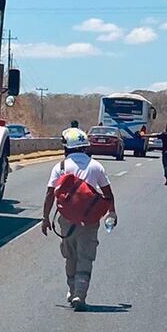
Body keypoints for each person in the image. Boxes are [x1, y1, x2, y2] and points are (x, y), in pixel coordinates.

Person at [42, 128, 116, 312]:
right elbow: (108, 194)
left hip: (66, 218)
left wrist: (45, 218)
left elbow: (50, 193)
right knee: (86, 256)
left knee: (70, 255)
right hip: (90, 219)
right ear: (85, 146)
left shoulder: (60, 167)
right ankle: (79, 294)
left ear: (66, 146)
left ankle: (71, 288)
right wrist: (112, 213)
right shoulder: (95, 166)